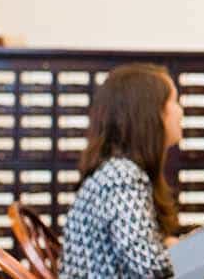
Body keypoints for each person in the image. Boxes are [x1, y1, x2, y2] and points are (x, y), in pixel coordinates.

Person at [59, 64, 183, 278]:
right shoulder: (124, 177)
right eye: (174, 101)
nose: (181, 111)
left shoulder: (116, 170)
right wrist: (197, 252)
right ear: (150, 113)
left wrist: (169, 245)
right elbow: (150, 267)